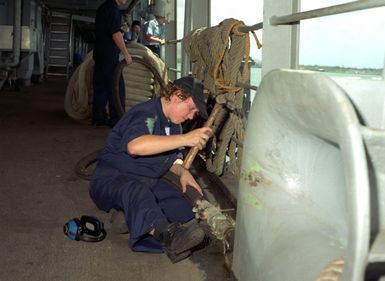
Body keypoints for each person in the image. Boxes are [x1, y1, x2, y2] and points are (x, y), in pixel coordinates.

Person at [89, 76, 212, 263]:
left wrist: (183, 172)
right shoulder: (146, 113)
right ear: (178, 96)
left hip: (146, 182)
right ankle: (169, 237)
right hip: (112, 179)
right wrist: (187, 139)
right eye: (192, 108)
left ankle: (128, 217)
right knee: (136, 191)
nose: (191, 116)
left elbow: (173, 160)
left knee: (187, 205)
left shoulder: (175, 127)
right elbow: (135, 146)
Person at [92, 0, 132, 127]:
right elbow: (115, 33)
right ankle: (116, 119)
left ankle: (98, 117)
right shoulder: (113, 9)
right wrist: (125, 53)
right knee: (116, 87)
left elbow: (108, 29)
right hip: (109, 55)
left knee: (101, 87)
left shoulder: (104, 7)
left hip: (100, 53)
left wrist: (121, 29)